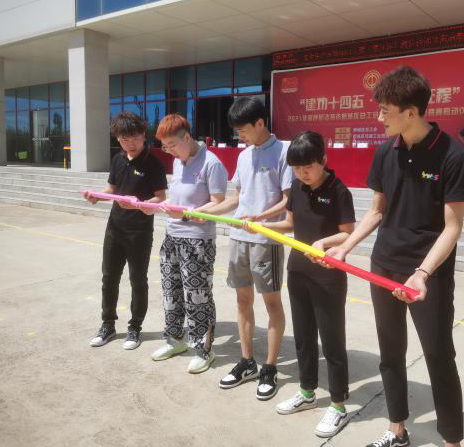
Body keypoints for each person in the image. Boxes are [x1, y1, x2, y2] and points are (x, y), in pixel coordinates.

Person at [328, 66, 464, 447]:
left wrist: (422, 273)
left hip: (428, 274)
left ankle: (451, 441)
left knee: (438, 356)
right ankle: (397, 430)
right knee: (390, 353)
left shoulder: (453, 156)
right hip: (384, 266)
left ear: (411, 112)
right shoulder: (386, 152)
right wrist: (346, 246)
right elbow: (377, 210)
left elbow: (453, 228)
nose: (379, 118)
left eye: (385, 111)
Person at [254, 131, 355, 438]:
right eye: (297, 169)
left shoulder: (339, 190)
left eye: (307, 167)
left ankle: (338, 405)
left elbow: (348, 232)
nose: (302, 174)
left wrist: (323, 243)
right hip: (298, 271)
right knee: (303, 337)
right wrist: (263, 225)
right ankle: (307, 392)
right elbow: (291, 223)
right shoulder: (297, 188)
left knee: (332, 340)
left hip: (327, 275)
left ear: (323, 160)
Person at [204, 96, 294, 400]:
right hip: (239, 238)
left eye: (243, 130)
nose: (240, 137)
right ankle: (247, 361)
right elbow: (236, 199)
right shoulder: (244, 156)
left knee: (272, 304)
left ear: (260, 122)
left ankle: (269, 367)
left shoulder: (284, 151)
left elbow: (288, 200)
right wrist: (201, 212)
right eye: (237, 132)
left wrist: (259, 218)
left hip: (266, 239)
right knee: (242, 301)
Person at [144, 114, 228, 374]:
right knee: (171, 292)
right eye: (165, 147)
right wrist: (156, 206)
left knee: (198, 296)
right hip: (172, 236)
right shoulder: (178, 162)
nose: (169, 151)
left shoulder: (212, 163)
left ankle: (204, 350)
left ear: (188, 137)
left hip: (197, 240)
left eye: (172, 145)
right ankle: (175, 340)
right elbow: (177, 199)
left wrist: (188, 215)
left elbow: (218, 203)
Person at [84, 111, 167, 350]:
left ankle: (135, 327)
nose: (130, 143)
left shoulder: (153, 163)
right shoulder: (118, 160)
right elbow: (111, 189)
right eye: (124, 139)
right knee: (109, 277)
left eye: (135, 138)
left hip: (139, 231)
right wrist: (96, 196)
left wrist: (138, 204)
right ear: (117, 139)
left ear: (143, 136)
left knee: (137, 279)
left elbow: (161, 198)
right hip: (115, 228)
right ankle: (108, 325)